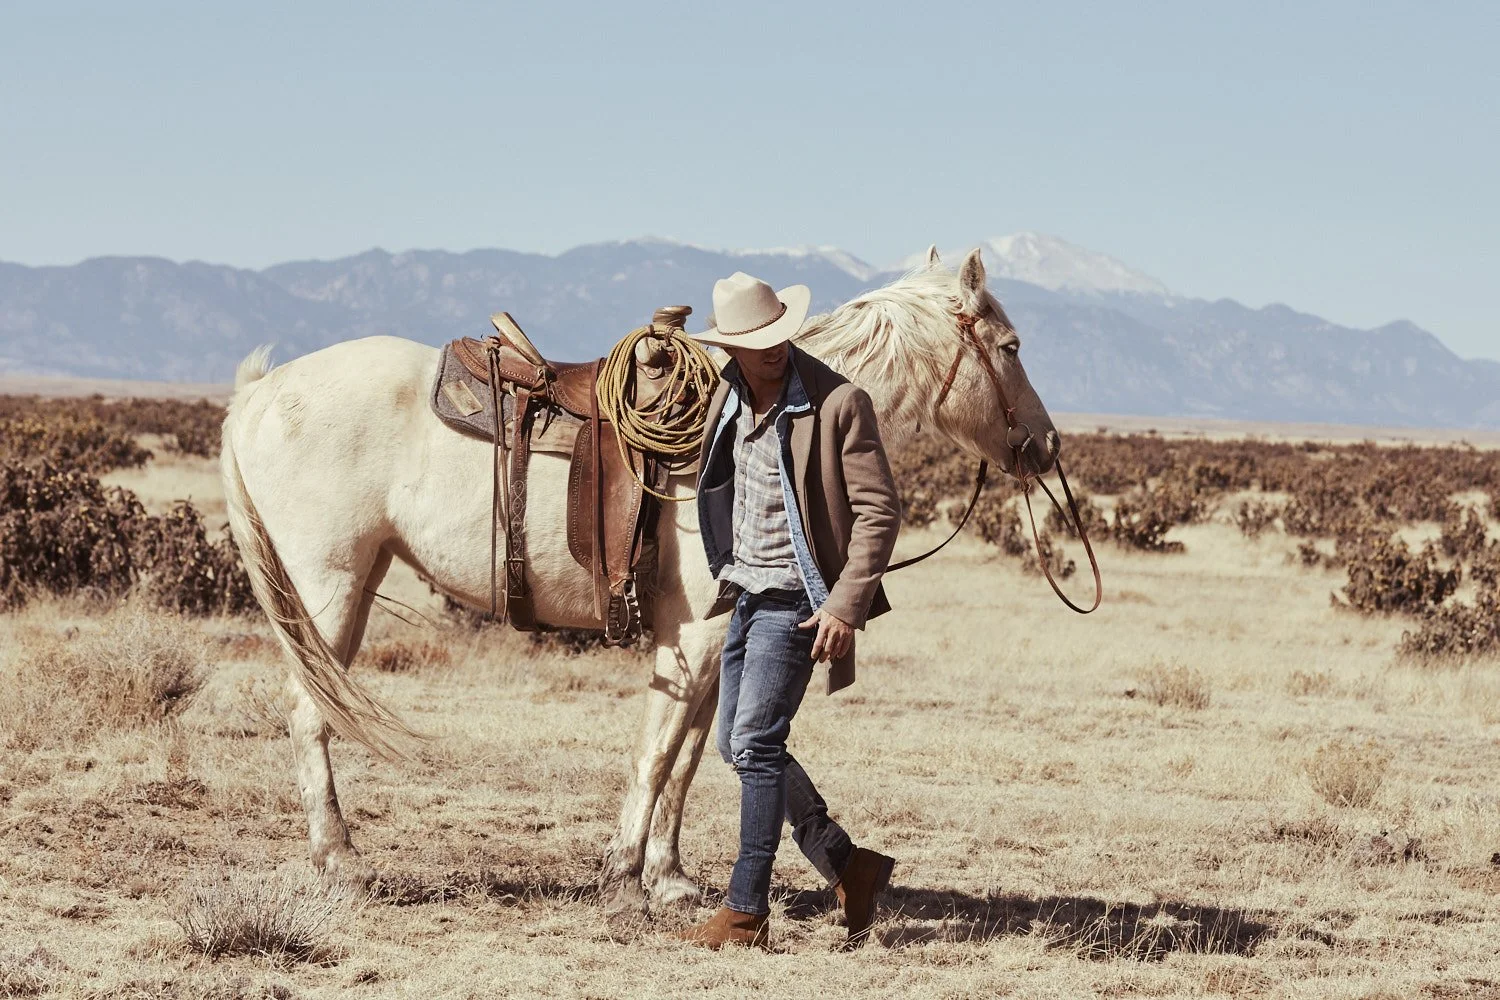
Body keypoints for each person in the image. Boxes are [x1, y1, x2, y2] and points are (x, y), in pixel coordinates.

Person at [674, 272, 902, 950]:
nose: (773, 350)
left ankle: (746, 909)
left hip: (799, 601)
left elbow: (878, 511)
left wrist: (845, 604)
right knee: (736, 744)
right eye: (756, 341)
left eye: (779, 335)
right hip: (746, 593)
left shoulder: (837, 403)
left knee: (754, 743)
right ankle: (847, 864)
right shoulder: (728, 397)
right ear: (733, 349)